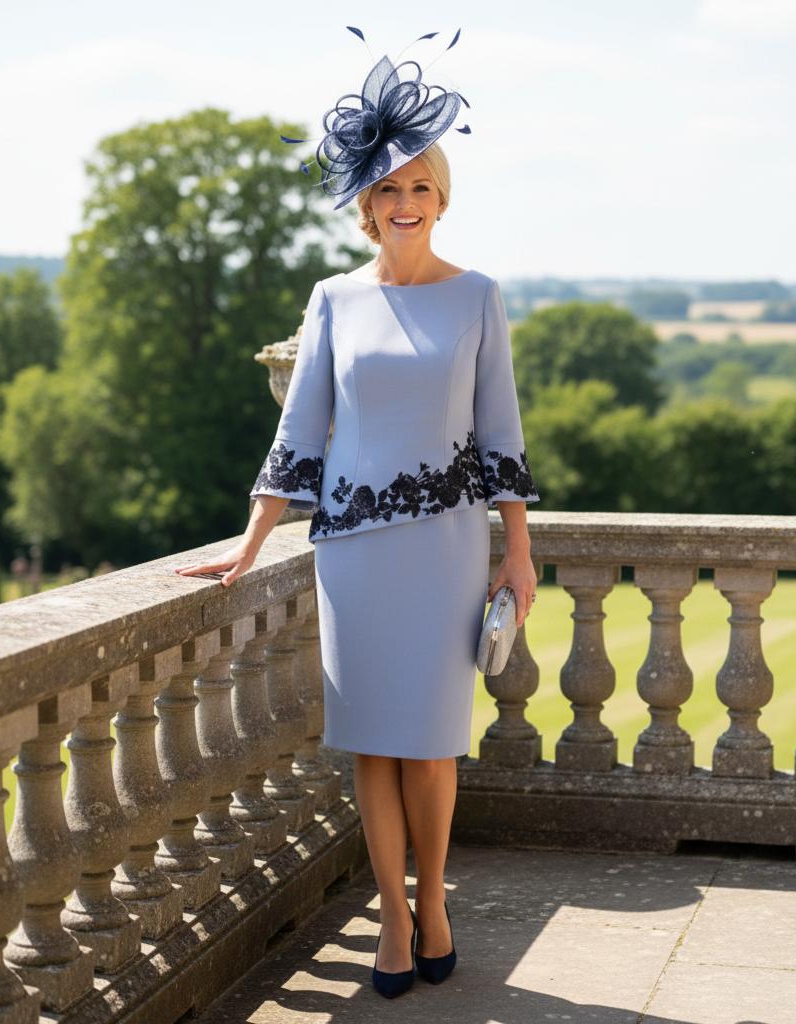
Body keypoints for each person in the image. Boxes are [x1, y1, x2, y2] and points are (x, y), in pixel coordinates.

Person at [175, 27, 539, 998]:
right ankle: (391, 912)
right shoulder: (332, 299)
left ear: (440, 196)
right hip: (353, 559)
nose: (405, 205)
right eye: (388, 190)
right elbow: (299, 434)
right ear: (365, 206)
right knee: (372, 741)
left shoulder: (478, 299)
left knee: (431, 746)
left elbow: (501, 438)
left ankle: (435, 904)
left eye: (420, 187)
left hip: (448, 553)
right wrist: (247, 545)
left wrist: (519, 556)